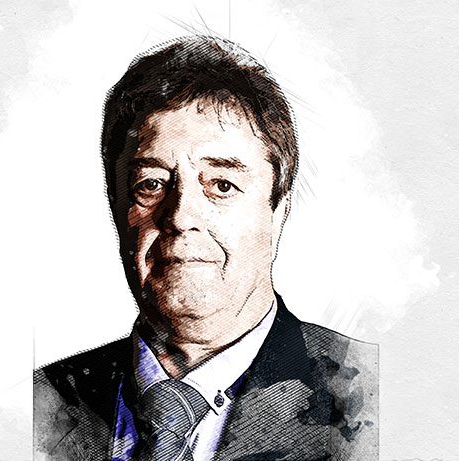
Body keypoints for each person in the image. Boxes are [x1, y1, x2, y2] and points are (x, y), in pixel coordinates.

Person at [34, 35, 378, 461]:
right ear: (116, 207)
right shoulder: (37, 407)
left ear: (277, 212)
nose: (180, 217)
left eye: (222, 185)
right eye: (151, 184)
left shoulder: (371, 398)